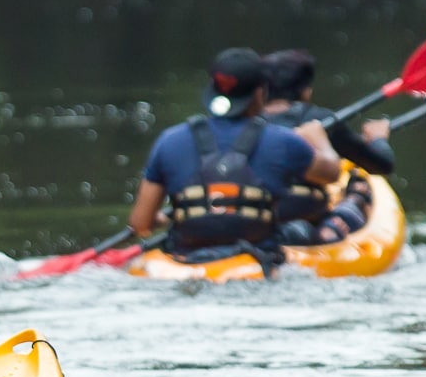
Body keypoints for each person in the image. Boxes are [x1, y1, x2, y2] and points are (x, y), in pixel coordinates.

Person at [128, 47, 342, 261]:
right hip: (259, 260)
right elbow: (331, 174)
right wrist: (319, 138)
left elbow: (141, 224)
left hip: (186, 259)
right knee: (302, 228)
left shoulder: (169, 140)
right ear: (260, 93)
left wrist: (170, 217)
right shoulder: (284, 141)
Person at [258, 48, 394, 245]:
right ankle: (356, 197)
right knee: (356, 196)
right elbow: (382, 165)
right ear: (306, 90)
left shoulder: (245, 124)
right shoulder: (319, 121)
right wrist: (378, 139)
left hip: (256, 219)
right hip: (304, 218)